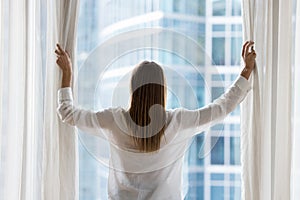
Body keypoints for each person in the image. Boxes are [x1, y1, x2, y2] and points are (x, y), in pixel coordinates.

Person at [55, 41, 256, 200]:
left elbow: (67, 113)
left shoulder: (114, 120)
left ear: (133, 89)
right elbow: (220, 109)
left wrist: (67, 73)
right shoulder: (178, 122)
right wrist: (246, 71)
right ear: (163, 91)